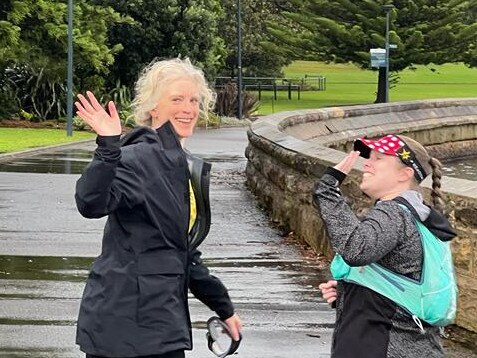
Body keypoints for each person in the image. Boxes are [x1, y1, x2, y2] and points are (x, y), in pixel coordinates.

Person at [74, 58, 242, 358]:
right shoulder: (136, 157)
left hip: (160, 324)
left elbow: (181, 251)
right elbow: (90, 202)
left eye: (193, 100)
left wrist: (223, 306)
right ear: (154, 107)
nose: (188, 109)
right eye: (176, 99)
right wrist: (108, 147)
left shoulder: (179, 162)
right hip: (123, 328)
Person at [312, 134, 456, 358]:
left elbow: (356, 249)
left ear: (404, 174)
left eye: (379, 158)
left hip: (384, 347)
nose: (367, 162)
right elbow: (401, 283)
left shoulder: (394, 213)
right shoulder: (417, 215)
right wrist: (351, 292)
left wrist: (327, 189)